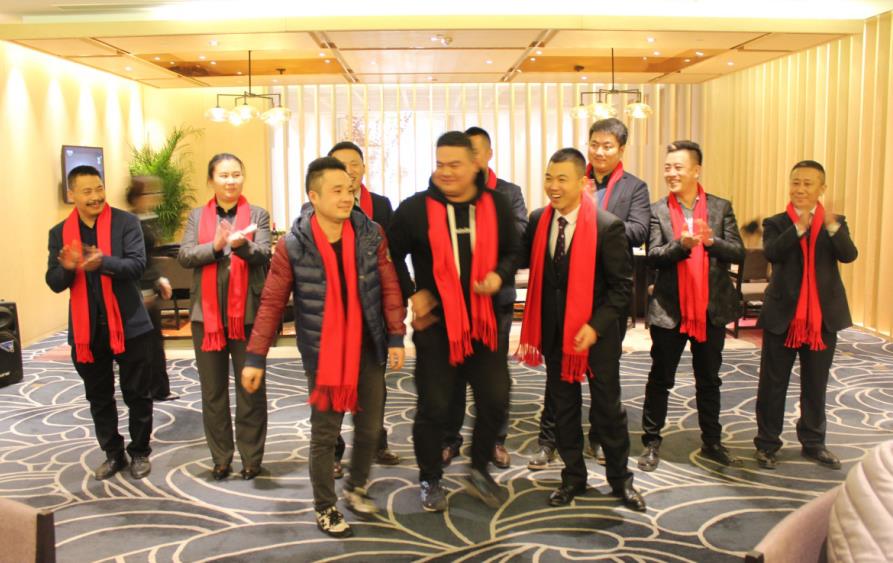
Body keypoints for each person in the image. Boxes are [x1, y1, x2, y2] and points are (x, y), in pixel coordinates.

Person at [241, 157, 406, 538]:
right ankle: (325, 506)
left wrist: (397, 335)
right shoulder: (294, 244)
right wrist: (255, 356)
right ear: (313, 196)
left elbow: (389, 284)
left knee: (370, 428)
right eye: (337, 191)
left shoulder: (370, 233)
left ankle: (356, 486)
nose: (347, 197)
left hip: (368, 345)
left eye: (349, 189)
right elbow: (272, 301)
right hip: (324, 352)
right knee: (325, 433)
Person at [388, 131, 520, 512]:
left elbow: (514, 250)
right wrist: (412, 291)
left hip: (483, 322)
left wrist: (499, 275)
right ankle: (430, 477)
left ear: (475, 165)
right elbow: (389, 252)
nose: (445, 172)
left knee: (496, 399)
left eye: (454, 164)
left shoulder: (496, 204)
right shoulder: (415, 209)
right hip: (436, 327)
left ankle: (479, 468)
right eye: (439, 164)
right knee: (435, 407)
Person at [517, 147, 645, 511]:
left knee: (608, 410)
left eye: (562, 179)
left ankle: (621, 480)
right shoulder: (540, 219)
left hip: (597, 337)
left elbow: (621, 289)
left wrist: (595, 326)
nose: (553, 186)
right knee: (564, 409)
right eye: (548, 178)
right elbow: (525, 261)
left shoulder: (608, 226)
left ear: (581, 182)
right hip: (556, 334)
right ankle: (573, 477)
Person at [638, 140, 744, 472]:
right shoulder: (657, 210)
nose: (671, 173)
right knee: (660, 378)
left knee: (709, 379)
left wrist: (712, 242)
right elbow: (653, 256)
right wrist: (681, 246)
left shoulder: (720, 207)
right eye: (667, 167)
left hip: (710, 309)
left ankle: (712, 441)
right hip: (670, 309)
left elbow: (738, 251)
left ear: (696, 170)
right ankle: (651, 442)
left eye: (678, 167)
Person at [45, 165, 154, 480]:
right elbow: (54, 281)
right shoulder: (59, 233)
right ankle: (113, 453)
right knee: (99, 396)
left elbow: (136, 265)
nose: (95, 197)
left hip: (129, 324)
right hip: (87, 331)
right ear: (72, 195)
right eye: (87, 191)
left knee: (137, 393)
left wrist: (102, 262)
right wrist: (68, 267)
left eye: (99, 189)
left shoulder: (126, 223)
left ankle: (139, 452)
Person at [753, 160, 858, 470]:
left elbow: (849, 255)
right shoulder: (776, 222)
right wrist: (799, 226)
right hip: (783, 316)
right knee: (773, 384)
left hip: (822, 318)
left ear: (821, 189)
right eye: (795, 182)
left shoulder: (835, 223)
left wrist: (832, 226)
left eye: (807, 184)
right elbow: (772, 253)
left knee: (816, 383)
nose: (800, 189)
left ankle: (813, 443)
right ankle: (767, 443)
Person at [178, 153, 271, 481]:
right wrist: (216, 246)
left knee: (250, 389)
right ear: (211, 180)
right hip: (207, 318)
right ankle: (220, 457)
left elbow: (264, 255)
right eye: (224, 175)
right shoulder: (196, 216)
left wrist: (242, 245)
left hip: (247, 315)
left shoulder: (257, 214)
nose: (231, 181)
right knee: (213, 391)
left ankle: (251, 457)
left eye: (236, 174)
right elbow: (185, 255)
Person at [442, 126, 528, 470]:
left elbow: (519, 239)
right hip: (455, 301)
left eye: (476, 152)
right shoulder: (449, 192)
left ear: (488, 154)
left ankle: (495, 440)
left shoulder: (509, 193)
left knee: (493, 377)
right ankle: (449, 439)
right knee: (452, 374)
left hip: (495, 299)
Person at [327, 141, 400, 472]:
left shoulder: (381, 206)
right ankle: (334, 450)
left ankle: (376, 442)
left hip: (372, 311)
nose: (349, 170)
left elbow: (391, 258)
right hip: (335, 314)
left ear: (363, 168)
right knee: (333, 384)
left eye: (354, 163)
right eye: (341, 164)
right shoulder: (314, 207)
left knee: (374, 385)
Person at [126, 176, 178, 402]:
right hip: (139, 290)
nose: (156, 197)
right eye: (150, 193)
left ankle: (159, 389)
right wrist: (146, 288)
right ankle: (150, 389)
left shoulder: (149, 219)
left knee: (155, 342)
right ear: (138, 196)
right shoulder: (131, 222)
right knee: (146, 343)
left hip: (150, 287)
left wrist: (159, 279)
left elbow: (150, 257)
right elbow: (137, 260)